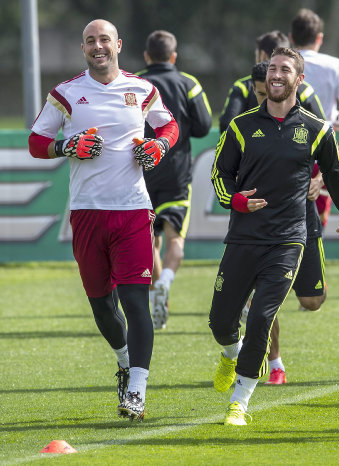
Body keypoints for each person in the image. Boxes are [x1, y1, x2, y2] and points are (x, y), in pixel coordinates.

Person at [28, 19, 179, 422]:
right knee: (101, 304)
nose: (99, 46)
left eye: (105, 40)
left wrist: (159, 145)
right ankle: (125, 361)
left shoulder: (142, 89)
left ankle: (137, 391)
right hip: (87, 212)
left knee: (135, 300)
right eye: (91, 41)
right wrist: (68, 145)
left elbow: (169, 126)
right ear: (83, 48)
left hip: (132, 209)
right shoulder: (66, 93)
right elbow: (36, 142)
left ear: (119, 45)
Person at [209, 47, 339, 426]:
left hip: (288, 240)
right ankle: (231, 353)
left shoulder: (316, 128)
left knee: (262, 315)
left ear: (299, 79)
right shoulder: (240, 127)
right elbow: (219, 176)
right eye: (272, 68)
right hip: (243, 238)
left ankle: (239, 402)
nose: (276, 75)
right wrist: (236, 200)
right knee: (220, 322)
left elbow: (336, 173)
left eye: (285, 70)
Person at [248, 60, 327, 385]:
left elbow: (329, 158)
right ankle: (275, 361)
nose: (267, 94)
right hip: (259, 222)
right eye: (261, 91)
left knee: (311, 301)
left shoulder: (306, 115)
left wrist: (319, 179)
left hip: (301, 217)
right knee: (266, 296)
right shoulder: (244, 122)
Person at [137, 30, 212, 330]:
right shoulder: (189, 83)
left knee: (149, 239)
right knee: (174, 237)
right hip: (177, 168)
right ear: (174, 56)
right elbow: (205, 125)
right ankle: (166, 281)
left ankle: (157, 293)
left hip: (142, 169)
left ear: (146, 56)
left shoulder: (135, 82)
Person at [290, 8, 339, 230]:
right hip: (320, 147)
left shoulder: (284, 65)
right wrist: (336, 122)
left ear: (291, 38)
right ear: (319, 38)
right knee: (315, 216)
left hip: (285, 143)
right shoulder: (336, 66)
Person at [219, 30, 325, 133]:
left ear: (263, 55)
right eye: (261, 94)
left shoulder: (243, 86)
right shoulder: (303, 88)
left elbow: (226, 125)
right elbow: (321, 126)